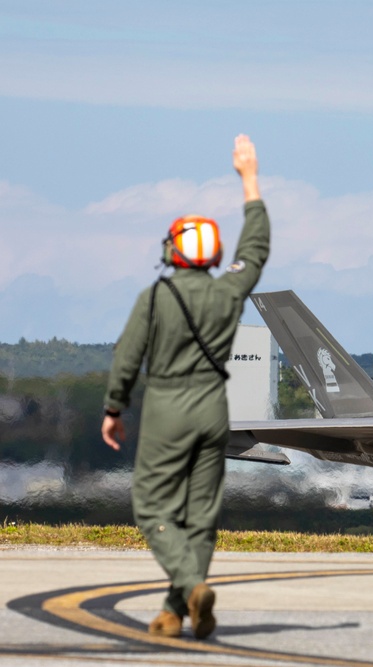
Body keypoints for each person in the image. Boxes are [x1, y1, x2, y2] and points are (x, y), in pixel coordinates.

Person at [101, 134, 269, 639]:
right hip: (216, 409)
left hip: (168, 408)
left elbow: (127, 358)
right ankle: (176, 611)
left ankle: (192, 586)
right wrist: (250, 179)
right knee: (200, 515)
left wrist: (114, 408)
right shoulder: (228, 290)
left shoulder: (155, 298)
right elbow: (255, 249)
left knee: (152, 507)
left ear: (172, 252)